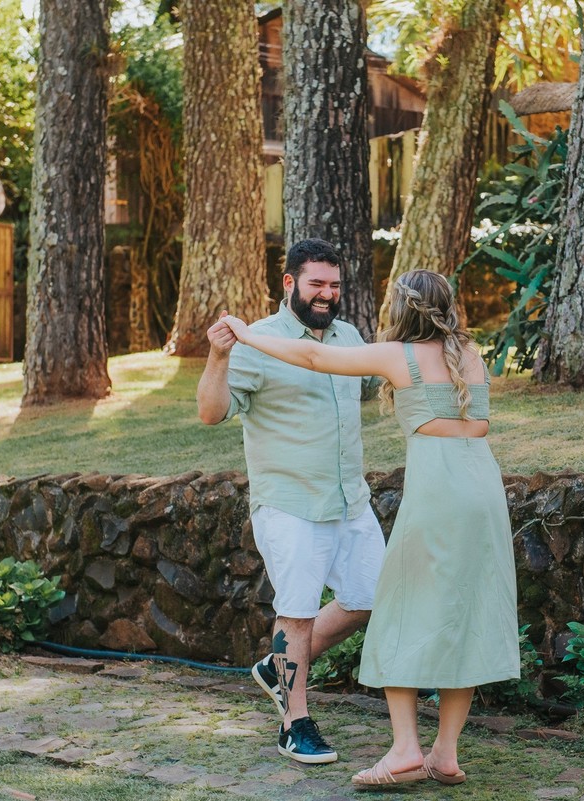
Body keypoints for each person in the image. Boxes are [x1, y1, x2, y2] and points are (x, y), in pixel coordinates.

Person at [220, 269, 519, 788]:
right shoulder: (471, 356)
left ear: (402, 309)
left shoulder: (398, 354)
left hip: (439, 494)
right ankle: (445, 754)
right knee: (465, 612)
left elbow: (315, 357)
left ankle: (405, 749)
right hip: (485, 489)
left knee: (397, 613)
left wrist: (248, 335)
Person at [196, 238, 384, 765]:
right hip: (289, 503)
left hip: (351, 501)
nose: (327, 294)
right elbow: (212, 413)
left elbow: (372, 387)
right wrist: (218, 355)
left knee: (367, 597)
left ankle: (273, 668)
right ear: (290, 284)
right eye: (317, 283)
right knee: (296, 614)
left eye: (335, 285)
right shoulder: (258, 341)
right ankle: (294, 723)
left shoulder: (348, 336)